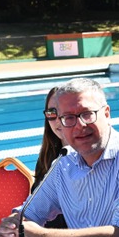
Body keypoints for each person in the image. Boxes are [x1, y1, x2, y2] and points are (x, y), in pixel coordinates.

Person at [0, 77, 119, 237]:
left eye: (87, 114)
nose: (79, 125)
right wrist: (13, 225)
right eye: (69, 118)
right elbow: (29, 213)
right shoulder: (64, 162)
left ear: (106, 114)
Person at [33, 86, 68, 229]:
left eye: (66, 112)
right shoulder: (47, 157)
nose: (58, 120)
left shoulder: (90, 159)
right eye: (52, 113)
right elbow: (34, 207)